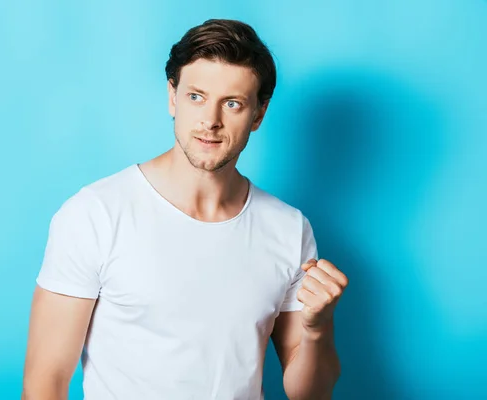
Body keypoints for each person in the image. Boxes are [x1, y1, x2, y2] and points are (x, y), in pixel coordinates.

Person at [22, 18, 348, 400]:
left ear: (258, 115)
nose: (210, 121)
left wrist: (317, 328)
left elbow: (309, 393)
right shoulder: (95, 214)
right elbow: (45, 382)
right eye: (197, 96)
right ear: (172, 97)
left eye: (232, 103)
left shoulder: (289, 229)